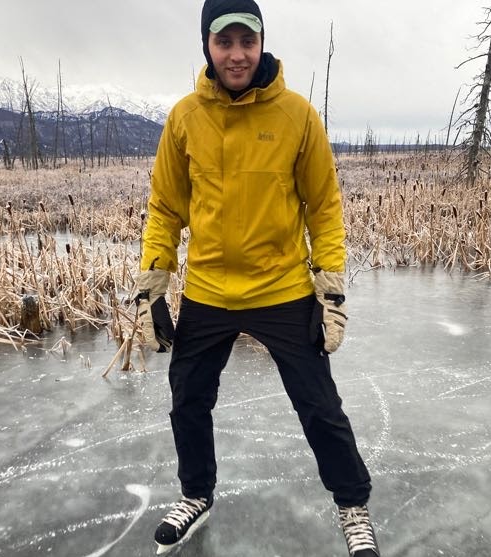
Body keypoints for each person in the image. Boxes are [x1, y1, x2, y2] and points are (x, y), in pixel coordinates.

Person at [134, 1, 379, 555]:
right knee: (187, 399)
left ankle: (352, 505)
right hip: (209, 291)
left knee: (318, 404)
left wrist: (331, 290)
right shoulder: (184, 117)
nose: (238, 54)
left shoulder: (296, 115)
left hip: (281, 289)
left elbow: (324, 207)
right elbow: (165, 208)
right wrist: (152, 285)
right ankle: (196, 494)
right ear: (208, 47)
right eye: (226, 42)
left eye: (248, 41)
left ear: (261, 43)